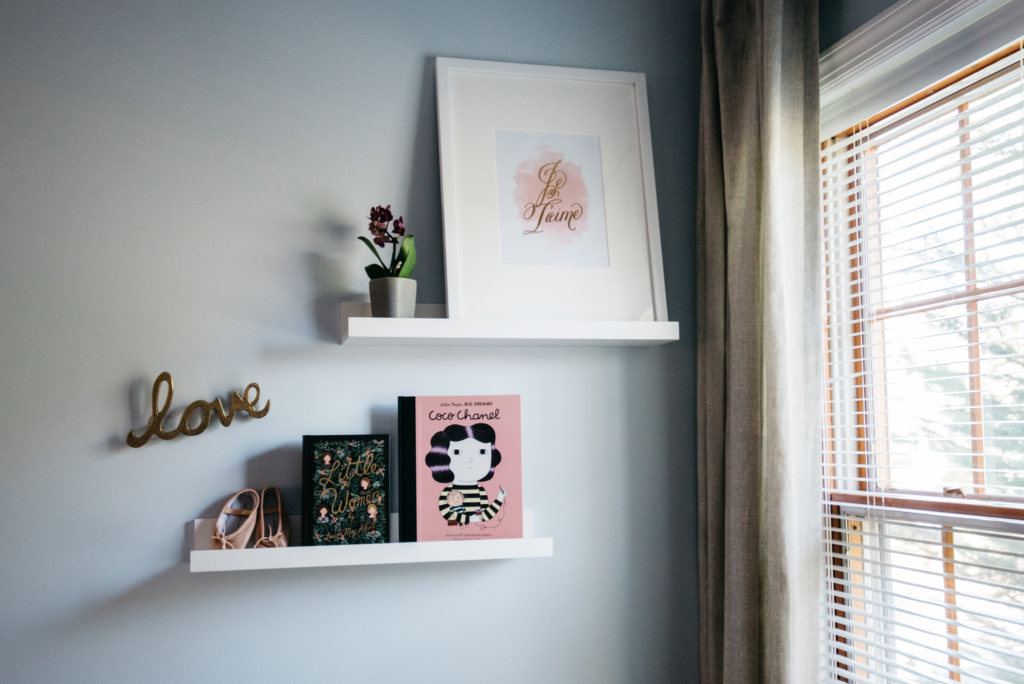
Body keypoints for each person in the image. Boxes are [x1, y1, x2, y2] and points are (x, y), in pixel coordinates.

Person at [425, 423, 507, 526]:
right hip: (451, 532)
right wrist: (469, 519)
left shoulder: (480, 491)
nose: (470, 460)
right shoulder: (448, 491)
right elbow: (448, 516)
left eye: (482, 452)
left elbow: (483, 515)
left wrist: (499, 499)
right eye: (457, 452)